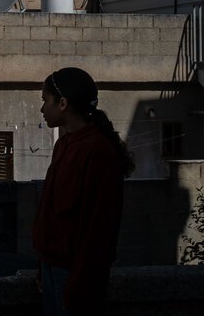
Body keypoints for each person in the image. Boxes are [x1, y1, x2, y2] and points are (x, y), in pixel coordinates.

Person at [33, 67, 134, 315]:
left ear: (63, 103)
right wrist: (43, 264)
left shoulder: (97, 152)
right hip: (53, 268)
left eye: (45, 101)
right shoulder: (64, 144)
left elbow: (99, 228)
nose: (42, 109)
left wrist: (79, 286)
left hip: (76, 275)